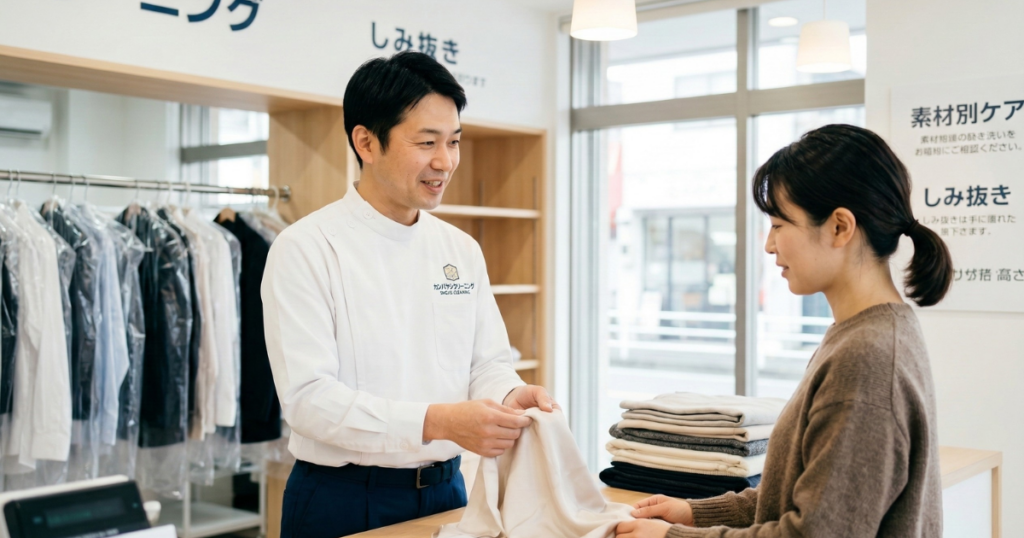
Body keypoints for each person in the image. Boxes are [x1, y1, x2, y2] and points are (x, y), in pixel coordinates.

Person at [261, 51, 556, 538]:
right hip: (342, 498)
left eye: (454, 141)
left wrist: (510, 393)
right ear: (366, 142)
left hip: (448, 491)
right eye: (426, 143)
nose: (445, 161)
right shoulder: (306, 248)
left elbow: (486, 363)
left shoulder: (460, 248)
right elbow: (309, 401)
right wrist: (438, 422)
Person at [616, 124, 948, 538]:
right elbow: (805, 492)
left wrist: (672, 537)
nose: (770, 246)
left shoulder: (867, 356)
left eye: (778, 225)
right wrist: (694, 513)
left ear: (840, 227)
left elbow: (813, 533)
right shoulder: (867, 333)